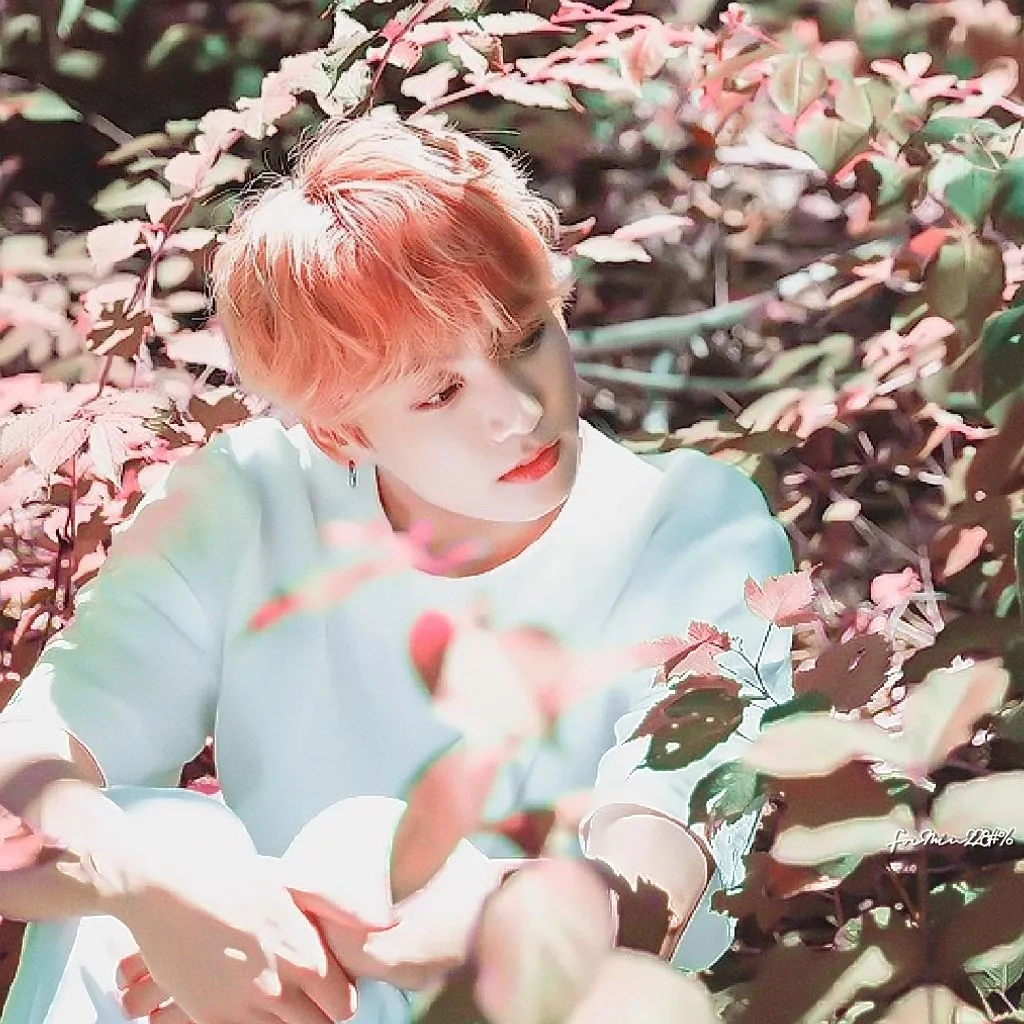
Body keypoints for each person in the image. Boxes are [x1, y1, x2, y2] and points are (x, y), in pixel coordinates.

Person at [0, 111, 794, 1024]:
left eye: (524, 337)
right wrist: (156, 890)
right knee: (142, 845)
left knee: (362, 847)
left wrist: (453, 930)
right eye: (440, 391)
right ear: (340, 429)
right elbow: (24, 779)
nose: (518, 412)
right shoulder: (249, 498)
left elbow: (660, 864)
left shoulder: (690, 526)